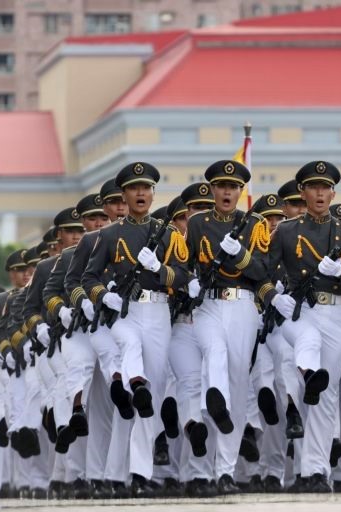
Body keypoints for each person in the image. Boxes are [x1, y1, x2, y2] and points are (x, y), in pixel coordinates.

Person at [83, 162, 189, 497]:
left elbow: (184, 277)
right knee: (130, 353)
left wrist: (161, 269)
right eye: (134, 188)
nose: (141, 193)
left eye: (146, 188)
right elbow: (88, 277)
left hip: (157, 311)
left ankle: (132, 475)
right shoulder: (109, 235)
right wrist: (106, 297)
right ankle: (135, 381)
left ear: (152, 193)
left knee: (149, 400)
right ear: (124, 195)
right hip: (124, 314)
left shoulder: (168, 234)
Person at [261, 161, 341, 492]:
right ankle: (308, 374)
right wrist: (275, 296)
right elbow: (265, 271)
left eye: (325, 188)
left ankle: (315, 471)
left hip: (334, 312)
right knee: (306, 374)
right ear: (302, 192)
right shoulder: (287, 230)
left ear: (333, 193)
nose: (320, 193)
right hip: (299, 311)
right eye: (313, 187)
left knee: (325, 395)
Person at [184, 160, 271, 494]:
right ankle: (213, 403)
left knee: (236, 383)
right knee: (213, 352)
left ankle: (224, 470)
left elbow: (263, 270)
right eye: (221, 186)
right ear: (213, 189)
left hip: (244, 305)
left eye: (233, 187)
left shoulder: (256, 225)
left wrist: (243, 256)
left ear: (240, 191)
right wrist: (189, 282)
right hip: (208, 304)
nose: (227, 192)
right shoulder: (197, 224)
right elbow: (185, 262)